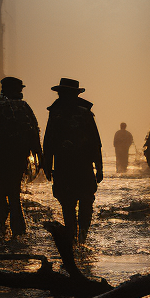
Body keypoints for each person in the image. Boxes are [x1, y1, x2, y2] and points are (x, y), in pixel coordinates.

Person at [0, 77, 42, 238]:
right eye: (19, 90)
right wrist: (39, 155)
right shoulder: (23, 108)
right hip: (17, 159)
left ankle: (3, 226)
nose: (21, 93)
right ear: (13, 90)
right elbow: (33, 132)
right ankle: (18, 232)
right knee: (14, 194)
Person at [42, 77, 103, 242]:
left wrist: (47, 165)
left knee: (72, 205)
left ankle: (75, 236)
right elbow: (95, 143)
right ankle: (79, 235)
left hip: (69, 168)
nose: (61, 96)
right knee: (82, 203)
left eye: (63, 93)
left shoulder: (58, 114)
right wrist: (99, 167)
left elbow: (48, 142)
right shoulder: (80, 113)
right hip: (76, 168)